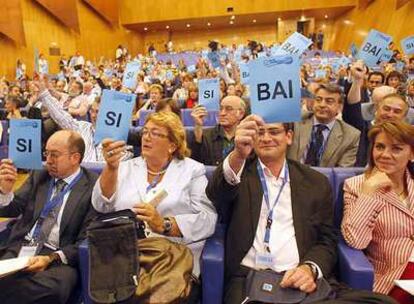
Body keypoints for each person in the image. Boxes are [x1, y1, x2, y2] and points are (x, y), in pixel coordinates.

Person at [206, 114, 396, 304]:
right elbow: (217, 194)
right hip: (251, 280)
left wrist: (309, 269)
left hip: (301, 280)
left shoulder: (315, 182)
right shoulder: (239, 174)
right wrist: (238, 155)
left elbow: (327, 239)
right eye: (259, 133)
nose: (266, 138)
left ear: (289, 136)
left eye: (274, 131)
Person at [92, 111, 217, 302]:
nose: (147, 138)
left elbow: (207, 219)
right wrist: (110, 167)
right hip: (126, 256)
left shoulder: (193, 170)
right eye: (145, 132)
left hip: (171, 260)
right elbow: (101, 205)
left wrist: (165, 224)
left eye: (156, 133)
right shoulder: (124, 166)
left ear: (172, 145)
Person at [0, 130, 98, 304]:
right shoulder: (40, 175)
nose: (48, 160)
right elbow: (13, 209)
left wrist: (51, 257)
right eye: (46, 154)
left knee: (53, 291)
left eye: (54, 155)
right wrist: (5, 191)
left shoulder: (92, 186)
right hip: (24, 246)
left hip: (59, 257)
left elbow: (88, 238)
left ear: (75, 158)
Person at [341, 121, 414, 303]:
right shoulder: (356, 186)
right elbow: (355, 240)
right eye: (379, 147)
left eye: (396, 149)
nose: (385, 155)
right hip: (395, 275)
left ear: (411, 154)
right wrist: (369, 192)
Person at [32, 76, 129, 162]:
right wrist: (44, 92)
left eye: (98, 112)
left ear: (108, 114)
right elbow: (61, 116)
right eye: (92, 111)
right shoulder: (81, 127)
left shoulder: (117, 139)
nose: (94, 115)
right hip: (81, 178)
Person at [287, 83, 361, 167]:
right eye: (318, 100)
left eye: (329, 101)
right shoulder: (294, 121)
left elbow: (342, 171)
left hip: (325, 178)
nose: (322, 105)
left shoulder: (351, 136)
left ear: (340, 107)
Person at [189, 95, 247, 165]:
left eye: (229, 109)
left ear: (240, 114)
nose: (222, 113)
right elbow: (195, 161)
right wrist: (198, 125)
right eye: (221, 108)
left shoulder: (247, 138)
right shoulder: (205, 136)